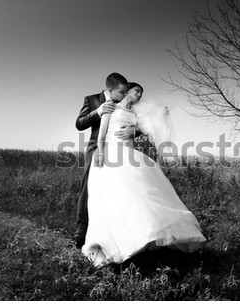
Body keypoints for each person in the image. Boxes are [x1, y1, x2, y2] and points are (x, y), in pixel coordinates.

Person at [82, 82, 206, 266]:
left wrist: (160, 115)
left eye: (141, 93)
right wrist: (99, 152)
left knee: (141, 195)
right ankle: (114, 243)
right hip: (110, 156)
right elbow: (102, 135)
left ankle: (143, 236)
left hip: (129, 156)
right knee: (113, 199)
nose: (139, 95)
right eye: (136, 91)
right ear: (127, 91)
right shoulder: (111, 108)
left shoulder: (134, 115)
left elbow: (149, 127)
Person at [74, 72, 136, 249]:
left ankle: (115, 233)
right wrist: (98, 111)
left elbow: (133, 123)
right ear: (110, 89)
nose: (124, 95)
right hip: (97, 149)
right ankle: (81, 232)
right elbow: (79, 123)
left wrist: (134, 131)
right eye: (121, 92)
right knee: (88, 189)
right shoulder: (92, 99)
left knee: (118, 191)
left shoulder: (123, 104)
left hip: (119, 151)